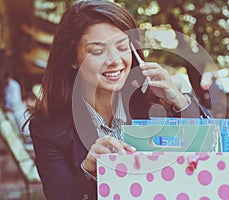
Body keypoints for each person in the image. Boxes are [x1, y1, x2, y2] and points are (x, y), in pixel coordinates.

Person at [29, 1, 207, 199]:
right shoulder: (48, 129)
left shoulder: (155, 105)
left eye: (122, 47)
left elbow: (211, 150)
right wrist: (89, 170)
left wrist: (180, 102)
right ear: (72, 59)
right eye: (97, 51)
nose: (115, 60)